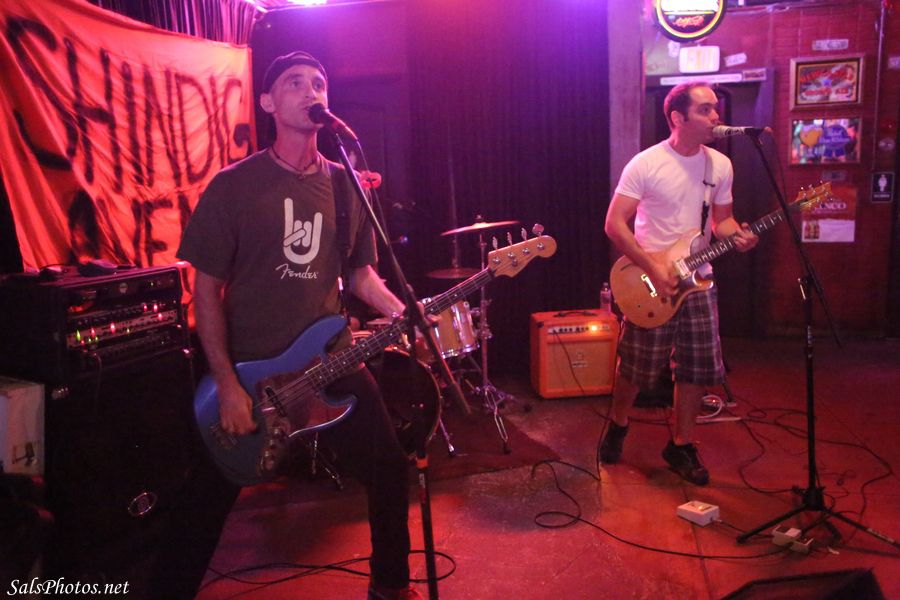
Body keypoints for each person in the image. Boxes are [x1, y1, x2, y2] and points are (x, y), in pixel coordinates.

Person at [177, 51, 421, 600]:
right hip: (252, 374)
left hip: (329, 359)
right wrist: (228, 385)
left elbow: (360, 276)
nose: (312, 92)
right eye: (295, 83)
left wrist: (401, 311)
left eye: (319, 83)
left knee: (389, 469)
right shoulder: (234, 186)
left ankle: (390, 588)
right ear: (267, 102)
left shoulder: (345, 185)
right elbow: (205, 292)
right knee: (204, 501)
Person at [598, 82, 758, 485]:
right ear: (677, 117)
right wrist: (652, 267)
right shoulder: (646, 164)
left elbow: (722, 222)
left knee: (697, 367)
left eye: (715, 108)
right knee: (637, 365)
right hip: (651, 280)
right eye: (705, 109)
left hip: (699, 279)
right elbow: (614, 224)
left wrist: (738, 235)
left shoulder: (720, 165)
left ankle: (682, 444)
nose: (716, 116)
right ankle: (618, 423)